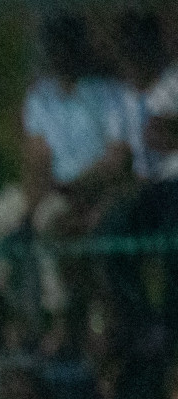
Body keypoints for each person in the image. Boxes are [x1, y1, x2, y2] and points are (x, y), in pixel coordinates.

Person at [0, 14, 132, 353]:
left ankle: (60, 321)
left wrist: (76, 187)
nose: (55, 55)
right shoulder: (41, 98)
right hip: (46, 189)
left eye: (62, 46)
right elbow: (35, 158)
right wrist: (34, 193)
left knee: (48, 219)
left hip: (85, 192)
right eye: (50, 47)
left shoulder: (107, 94)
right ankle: (4, 314)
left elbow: (116, 158)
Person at [105, 11, 178, 347]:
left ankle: (169, 321)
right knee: (114, 228)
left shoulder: (172, 83)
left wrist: (167, 129)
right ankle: (138, 320)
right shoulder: (121, 100)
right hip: (149, 188)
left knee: (171, 233)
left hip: (173, 182)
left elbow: (162, 132)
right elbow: (121, 158)